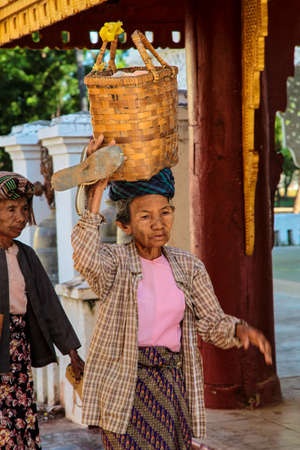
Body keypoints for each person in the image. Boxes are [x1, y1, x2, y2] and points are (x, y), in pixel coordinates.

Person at [71, 135, 272, 450]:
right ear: (124, 225)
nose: (158, 224)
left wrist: (239, 330)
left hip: (169, 383)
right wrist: (96, 189)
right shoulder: (114, 262)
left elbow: (210, 322)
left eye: (165, 212)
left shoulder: (187, 266)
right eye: (145, 216)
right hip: (124, 383)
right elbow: (84, 256)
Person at [0, 171, 84, 449]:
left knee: (19, 411)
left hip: (17, 350)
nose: (21, 217)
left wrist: (71, 351)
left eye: (24, 209)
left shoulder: (25, 256)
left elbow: (49, 305)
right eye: (11, 209)